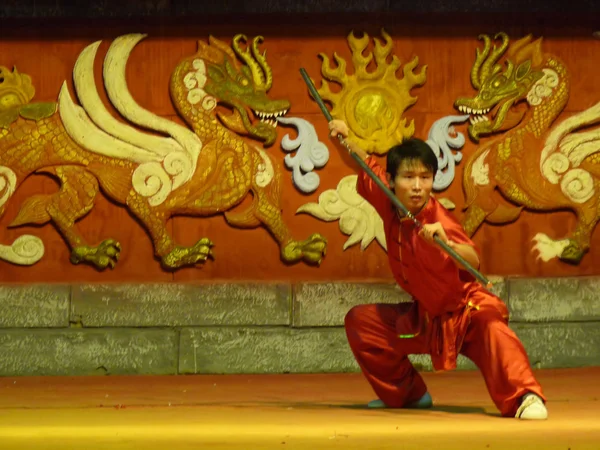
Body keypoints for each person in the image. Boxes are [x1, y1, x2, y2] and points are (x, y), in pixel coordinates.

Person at [328, 119, 548, 420]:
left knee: (494, 330)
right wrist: (344, 136)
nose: (418, 187)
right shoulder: (388, 199)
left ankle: (525, 396)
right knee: (363, 323)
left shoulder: (439, 219)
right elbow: (362, 164)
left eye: (425, 177)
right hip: (425, 322)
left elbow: (474, 260)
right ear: (392, 180)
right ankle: (408, 395)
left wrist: (447, 245)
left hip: (465, 312)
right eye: (409, 177)